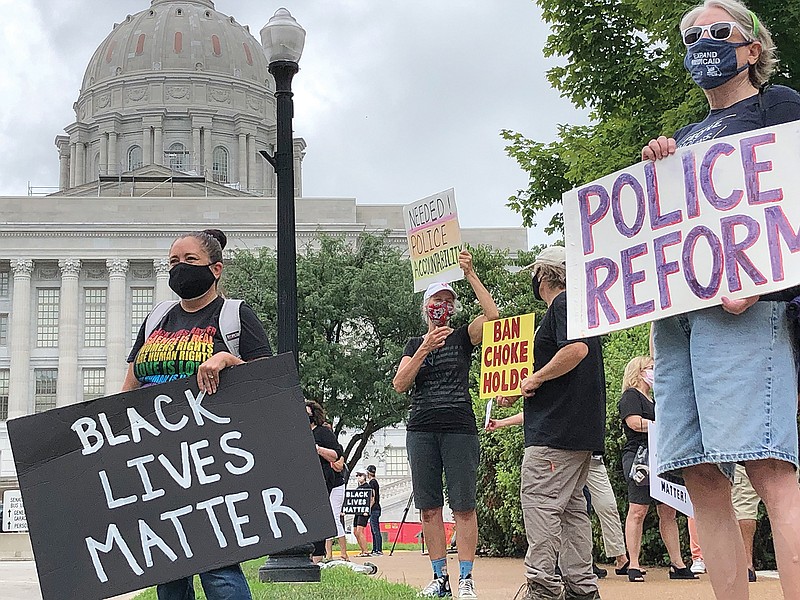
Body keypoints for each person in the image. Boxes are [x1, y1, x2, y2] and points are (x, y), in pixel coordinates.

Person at [643, 2, 800, 598]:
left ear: (753, 48)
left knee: (766, 465)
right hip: (679, 319)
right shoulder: (684, 137)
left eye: (716, 32)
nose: (701, 43)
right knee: (700, 474)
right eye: (690, 35)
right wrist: (660, 172)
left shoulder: (778, 107)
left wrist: (765, 282)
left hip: (747, 313)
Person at [123, 228, 272, 600]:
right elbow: (129, 386)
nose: (179, 269)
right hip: (158, 461)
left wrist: (225, 358)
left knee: (217, 566)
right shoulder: (157, 318)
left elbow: (268, 385)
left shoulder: (235, 316)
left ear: (215, 268)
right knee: (169, 571)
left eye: (190, 261)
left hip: (212, 463)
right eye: (173, 261)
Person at [498, 245, 605, 600]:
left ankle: (542, 587)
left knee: (541, 504)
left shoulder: (560, 305)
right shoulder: (584, 311)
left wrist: (535, 378)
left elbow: (575, 351)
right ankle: (582, 589)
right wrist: (526, 385)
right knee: (573, 510)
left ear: (543, 274)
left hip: (554, 433)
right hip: (580, 431)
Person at [393, 249, 499, 599]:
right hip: (422, 429)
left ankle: (466, 576)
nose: (443, 304)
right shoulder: (414, 343)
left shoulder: (462, 337)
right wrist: (423, 348)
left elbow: (493, 316)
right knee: (429, 506)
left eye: (448, 300)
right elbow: (400, 384)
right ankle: (439, 577)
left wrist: (470, 274)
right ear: (426, 306)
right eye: (437, 299)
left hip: (459, 427)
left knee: (464, 505)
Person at [484, 415, 627, 575]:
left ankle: (582, 567)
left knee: (586, 507)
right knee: (566, 508)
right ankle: (562, 568)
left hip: (584, 452)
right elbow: (542, 409)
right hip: (565, 449)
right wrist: (502, 422)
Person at [618, 356, 696, 583]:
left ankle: (677, 563)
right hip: (640, 457)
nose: (655, 372)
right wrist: (660, 425)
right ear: (639, 371)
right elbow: (634, 423)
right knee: (638, 510)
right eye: (651, 368)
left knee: (669, 510)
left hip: (661, 456)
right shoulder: (631, 396)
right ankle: (633, 563)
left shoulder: (655, 400)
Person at [305, 400, 346, 564]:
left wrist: (317, 449)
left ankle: (317, 555)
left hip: (322, 477)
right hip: (305, 479)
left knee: (318, 515)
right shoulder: (297, 433)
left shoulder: (323, 432)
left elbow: (336, 454)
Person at [731, 465, 762, 583]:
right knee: (787, 507)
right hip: (787, 451)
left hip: (747, 451)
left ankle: (746, 565)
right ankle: (793, 563)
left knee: (744, 505)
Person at [325, 453, 350, 562]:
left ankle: (344, 553)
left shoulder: (336, 450)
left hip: (337, 485)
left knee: (335, 517)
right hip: (325, 485)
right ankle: (328, 554)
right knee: (327, 520)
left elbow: (339, 467)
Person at [352, 469, 373, 557]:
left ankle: (366, 551)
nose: (358, 477)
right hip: (357, 512)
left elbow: (372, 499)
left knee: (360, 531)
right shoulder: (358, 488)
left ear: (364, 476)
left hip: (364, 512)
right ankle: (362, 550)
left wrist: (367, 510)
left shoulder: (367, 487)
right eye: (357, 475)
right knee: (355, 531)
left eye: (360, 475)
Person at [365, 465, 382, 556]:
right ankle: (376, 549)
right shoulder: (375, 482)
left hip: (374, 509)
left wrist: (368, 508)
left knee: (375, 530)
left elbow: (373, 497)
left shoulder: (372, 483)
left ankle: (378, 549)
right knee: (374, 529)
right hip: (377, 508)